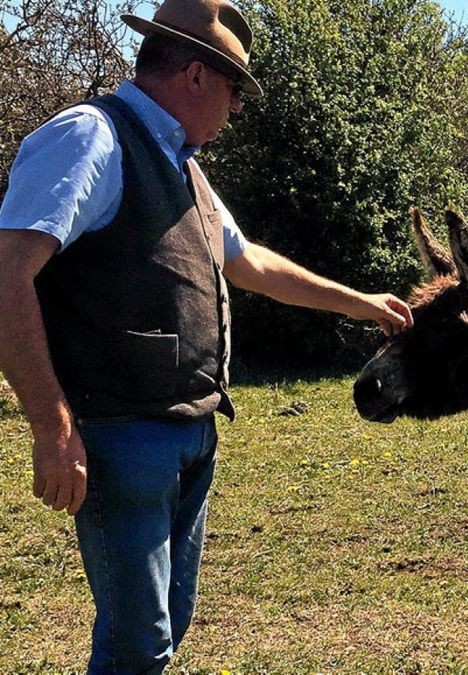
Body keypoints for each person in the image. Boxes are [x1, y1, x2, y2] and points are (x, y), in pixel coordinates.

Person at [0, 0, 412, 671]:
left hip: (190, 432)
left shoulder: (182, 164)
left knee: (166, 623)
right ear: (196, 75)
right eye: (234, 92)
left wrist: (359, 302)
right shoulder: (91, 137)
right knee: (140, 642)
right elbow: (7, 273)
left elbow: (248, 262)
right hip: (121, 432)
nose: (236, 111)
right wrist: (51, 426)